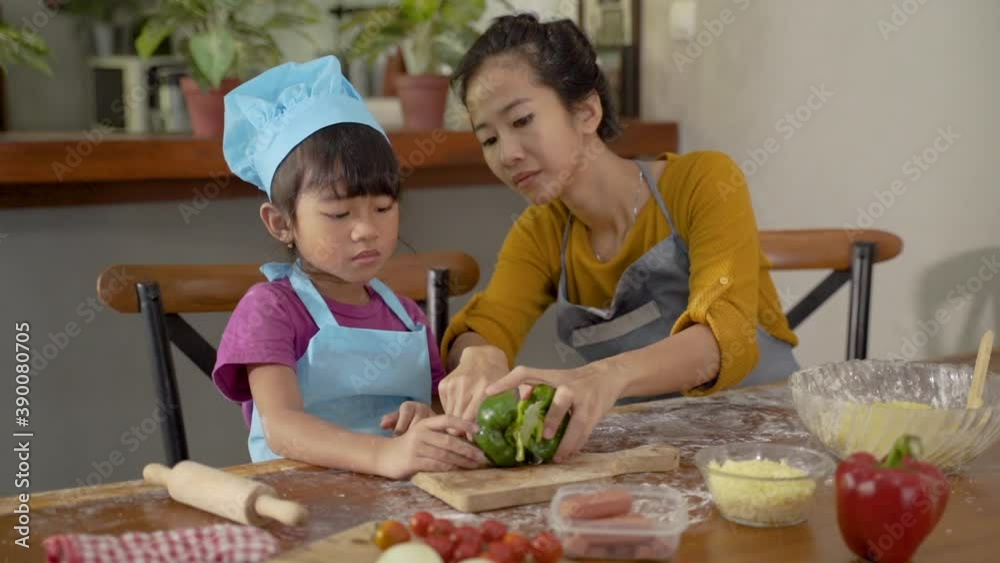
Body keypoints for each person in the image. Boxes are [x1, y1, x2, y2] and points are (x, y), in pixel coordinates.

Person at [437, 14, 800, 464]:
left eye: (523, 119)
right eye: (488, 138)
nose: (507, 154)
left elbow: (723, 337)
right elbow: (487, 324)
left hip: (769, 447)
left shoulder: (703, 181)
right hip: (648, 461)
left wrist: (604, 376)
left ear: (587, 111)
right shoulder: (541, 231)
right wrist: (478, 358)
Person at [212, 55, 486, 478]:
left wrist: (424, 415)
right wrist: (382, 456)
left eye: (382, 207)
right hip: (299, 502)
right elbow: (282, 427)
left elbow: (437, 406)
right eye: (339, 214)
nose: (366, 231)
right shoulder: (271, 309)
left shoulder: (407, 315)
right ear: (282, 223)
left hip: (396, 504)